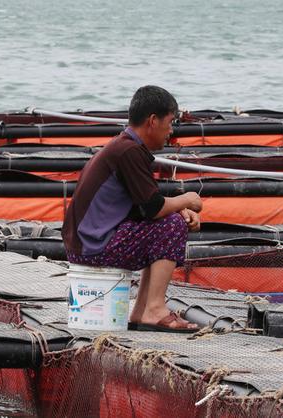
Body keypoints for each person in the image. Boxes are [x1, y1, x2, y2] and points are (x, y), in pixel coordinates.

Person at [62, 85, 202, 332]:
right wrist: (187, 200)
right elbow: (154, 207)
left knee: (165, 223)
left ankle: (141, 311)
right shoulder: (129, 151)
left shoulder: (123, 146)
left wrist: (176, 207)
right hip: (93, 247)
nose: (171, 131)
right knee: (170, 226)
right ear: (152, 121)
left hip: (85, 244)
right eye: (169, 123)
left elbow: (144, 206)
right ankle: (155, 309)